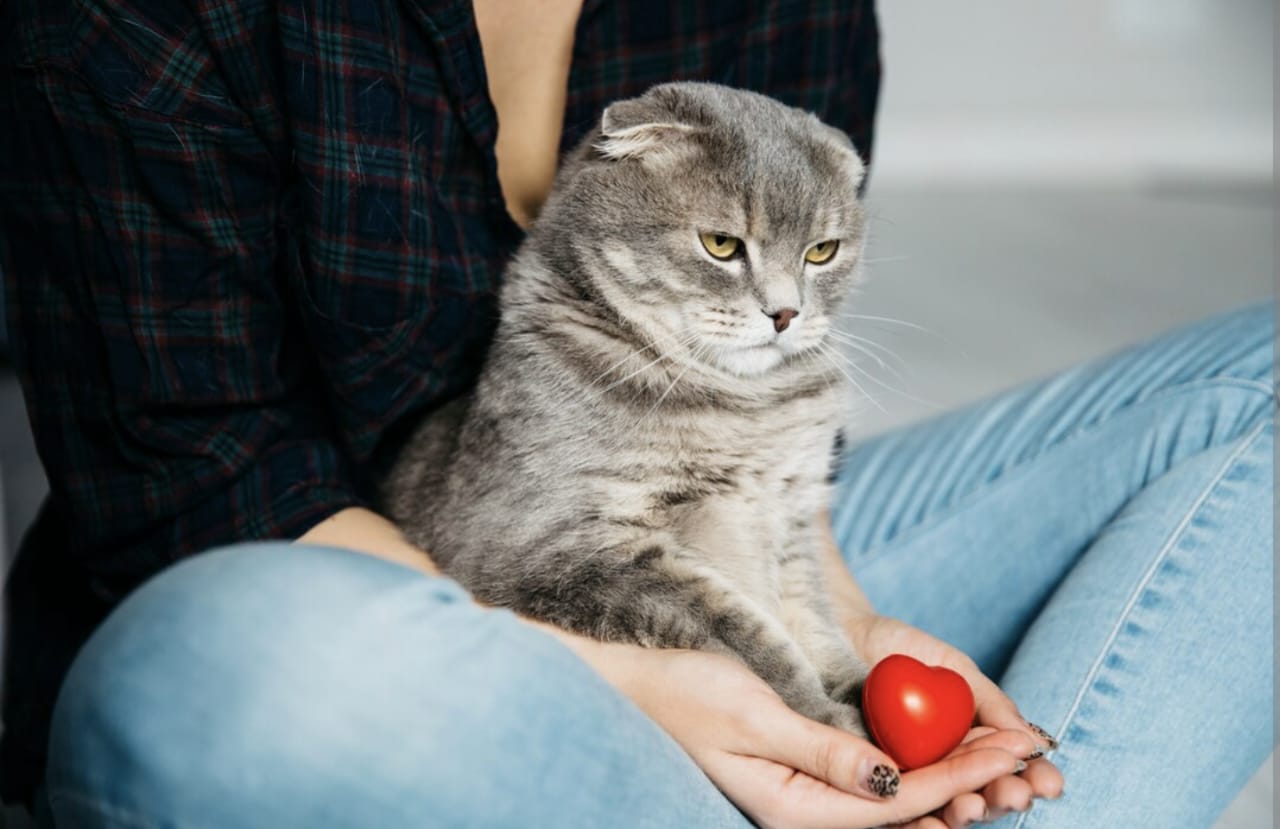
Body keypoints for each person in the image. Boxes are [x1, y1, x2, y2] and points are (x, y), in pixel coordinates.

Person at [0, 1, 1270, 826]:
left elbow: (780, 410)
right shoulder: (144, 25)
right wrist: (663, 689)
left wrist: (845, 632)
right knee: (234, 671)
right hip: (391, 605)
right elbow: (197, 483)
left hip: (709, 537)